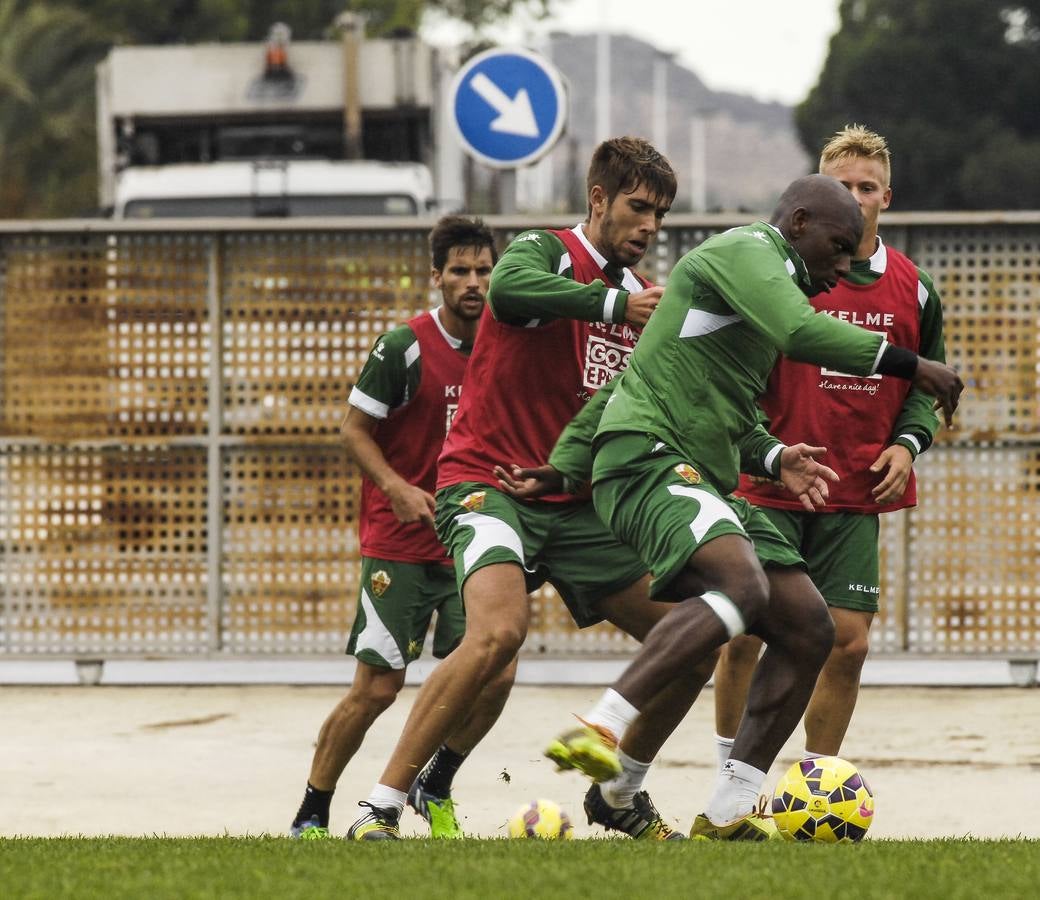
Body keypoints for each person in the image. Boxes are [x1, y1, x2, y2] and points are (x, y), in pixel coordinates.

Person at [544, 173, 963, 840]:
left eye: (854, 253)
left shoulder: (764, 297)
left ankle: (728, 805)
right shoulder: (745, 251)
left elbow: (729, 409)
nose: (843, 266)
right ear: (796, 222)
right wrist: (913, 365)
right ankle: (603, 720)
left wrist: (775, 458)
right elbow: (801, 332)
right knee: (740, 585)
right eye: (835, 246)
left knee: (809, 627)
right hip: (646, 456)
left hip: (700, 473)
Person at [347, 137, 708, 842]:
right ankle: (379, 808)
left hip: (574, 505)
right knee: (499, 635)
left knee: (696, 639)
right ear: (598, 199)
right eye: (638, 208)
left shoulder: (643, 302)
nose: (650, 227)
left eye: (660, 215)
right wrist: (611, 306)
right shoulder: (542, 253)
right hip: (488, 484)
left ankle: (620, 792)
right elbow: (511, 293)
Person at [714, 124, 948, 767]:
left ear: (887, 198)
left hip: (856, 488)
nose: (855, 198)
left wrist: (907, 444)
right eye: (842, 186)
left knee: (847, 644)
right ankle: (729, 775)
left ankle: (818, 785)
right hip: (771, 481)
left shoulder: (916, 288)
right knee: (745, 631)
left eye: (866, 187)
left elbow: (929, 385)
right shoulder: (781, 276)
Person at [289, 216, 512, 840]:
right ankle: (313, 807)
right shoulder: (403, 347)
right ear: (436, 276)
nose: (473, 283)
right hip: (401, 544)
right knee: (378, 689)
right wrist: (396, 487)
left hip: (472, 541)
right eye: (461, 272)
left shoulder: (506, 345)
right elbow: (353, 431)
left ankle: (434, 782)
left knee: (496, 671)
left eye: (483, 271)